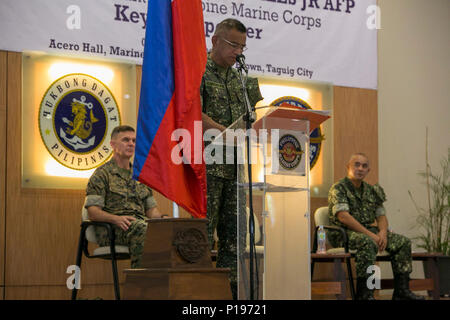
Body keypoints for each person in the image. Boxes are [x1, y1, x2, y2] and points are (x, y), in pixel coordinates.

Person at [200, 18, 263, 299]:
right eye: (233, 45)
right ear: (215, 41)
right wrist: (226, 133)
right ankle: (199, 296)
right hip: (207, 167)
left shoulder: (243, 80)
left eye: (242, 46)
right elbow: (192, 114)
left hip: (238, 170)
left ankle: (230, 297)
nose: (238, 51)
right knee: (200, 236)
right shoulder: (197, 72)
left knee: (234, 239)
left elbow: (254, 117)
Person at [328, 153, 425, 300]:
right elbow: (343, 217)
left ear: (369, 171)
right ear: (348, 167)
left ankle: (402, 291)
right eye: (356, 164)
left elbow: (381, 216)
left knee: (403, 243)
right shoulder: (339, 188)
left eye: (364, 166)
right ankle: (365, 294)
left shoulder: (372, 191)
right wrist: (372, 235)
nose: (360, 168)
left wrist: (383, 233)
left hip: (368, 232)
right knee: (368, 243)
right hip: (344, 234)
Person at [85, 125, 166, 269]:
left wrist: (164, 220)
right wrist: (115, 219)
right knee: (144, 229)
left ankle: (162, 285)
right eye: (126, 140)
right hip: (113, 229)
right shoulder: (102, 175)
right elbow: (93, 212)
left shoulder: (140, 176)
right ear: (113, 144)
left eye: (134, 141)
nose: (131, 144)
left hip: (139, 224)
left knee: (169, 230)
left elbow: (151, 211)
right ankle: (140, 285)